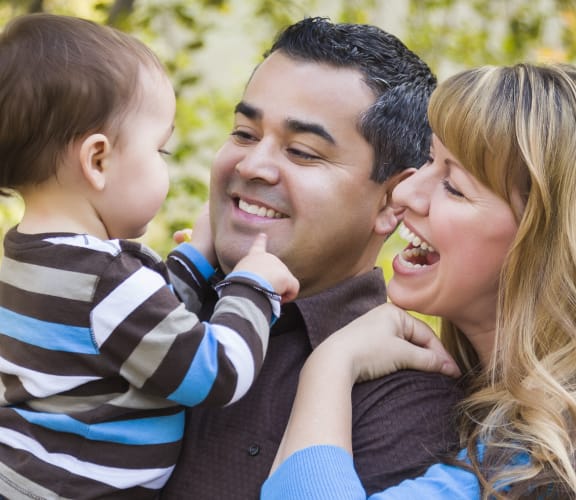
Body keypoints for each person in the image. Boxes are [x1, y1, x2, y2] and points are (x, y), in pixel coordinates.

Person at [0, 13, 299, 499]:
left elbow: (140, 328)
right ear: (98, 160)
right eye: (159, 151)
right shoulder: (105, 280)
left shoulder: (32, 258)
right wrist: (253, 286)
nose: (165, 165)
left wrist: (198, 257)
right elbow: (215, 373)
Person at [162, 17, 463, 499]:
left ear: (390, 202)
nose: (252, 165)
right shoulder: (147, 305)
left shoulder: (406, 402)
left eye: (301, 151)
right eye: (243, 132)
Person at [261, 62, 576, 499]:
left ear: (542, 243)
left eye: (455, 186)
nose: (406, 193)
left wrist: (331, 366)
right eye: (430, 160)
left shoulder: (535, 463)